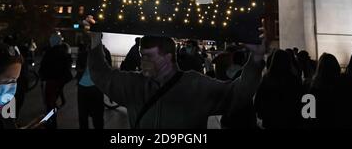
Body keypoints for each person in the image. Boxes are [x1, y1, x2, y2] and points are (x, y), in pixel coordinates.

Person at [85, 17, 265, 129]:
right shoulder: (135, 84)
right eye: (141, 56)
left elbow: (238, 94)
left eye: (148, 56)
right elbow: (101, 75)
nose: (142, 61)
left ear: (167, 57)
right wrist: (95, 41)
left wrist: (256, 59)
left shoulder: (196, 86)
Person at [254, 49, 304, 129]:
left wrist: (261, 113)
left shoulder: (267, 79)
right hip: (289, 119)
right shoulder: (293, 79)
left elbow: (258, 99)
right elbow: (299, 100)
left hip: (270, 119)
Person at [39, 43, 72, 129]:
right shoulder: (64, 54)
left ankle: (50, 123)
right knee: (51, 103)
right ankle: (50, 121)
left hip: (51, 80)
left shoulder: (51, 52)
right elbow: (68, 69)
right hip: (58, 80)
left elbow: (43, 65)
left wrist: (42, 76)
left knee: (50, 104)